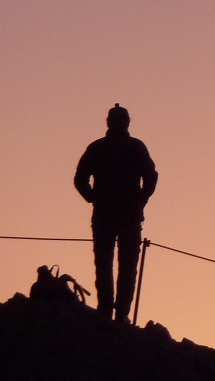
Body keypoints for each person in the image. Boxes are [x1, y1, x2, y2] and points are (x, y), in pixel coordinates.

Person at [73, 103, 158, 323]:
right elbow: (151, 177)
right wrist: (140, 200)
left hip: (109, 214)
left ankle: (110, 311)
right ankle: (119, 314)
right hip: (123, 215)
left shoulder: (99, 148)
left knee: (108, 264)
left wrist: (94, 198)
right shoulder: (134, 147)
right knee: (121, 266)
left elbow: (80, 179)